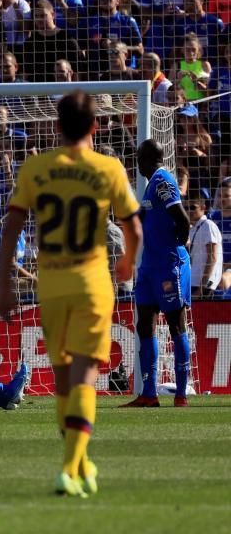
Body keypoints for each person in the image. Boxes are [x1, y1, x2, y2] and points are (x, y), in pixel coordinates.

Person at [0, 91, 142, 498]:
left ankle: (81, 464)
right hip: (93, 285)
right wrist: (128, 262)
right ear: (96, 127)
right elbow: (134, 227)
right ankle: (68, 467)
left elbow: (11, 229)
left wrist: (4, 284)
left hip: (52, 286)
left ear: (56, 126)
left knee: (63, 382)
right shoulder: (108, 168)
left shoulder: (36, 168)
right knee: (84, 380)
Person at [122, 139, 193, 409]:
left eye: (139, 158)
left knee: (176, 324)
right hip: (149, 268)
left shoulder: (163, 181)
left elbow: (182, 218)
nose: (137, 163)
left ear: (147, 160)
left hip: (167, 265)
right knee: (145, 325)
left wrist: (176, 244)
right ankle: (149, 394)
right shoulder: (152, 184)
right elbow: (143, 218)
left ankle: (181, 395)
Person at [187, 193, 222, 299]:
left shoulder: (208, 225)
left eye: (193, 207)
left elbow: (213, 258)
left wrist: (201, 288)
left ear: (203, 207)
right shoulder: (193, 228)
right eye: (185, 207)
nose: (188, 211)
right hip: (193, 283)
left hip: (203, 286)